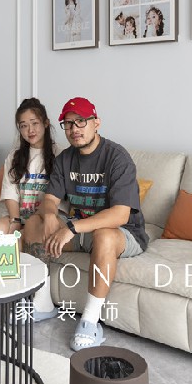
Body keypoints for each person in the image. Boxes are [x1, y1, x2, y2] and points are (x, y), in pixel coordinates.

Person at [23, 97, 147, 351]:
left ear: (96, 123)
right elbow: (50, 199)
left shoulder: (117, 157)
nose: (74, 129)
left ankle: (90, 321)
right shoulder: (65, 159)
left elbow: (120, 215)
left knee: (104, 235)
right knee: (34, 223)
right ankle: (43, 302)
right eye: (68, 124)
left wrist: (70, 228)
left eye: (81, 121)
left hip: (122, 233)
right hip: (80, 228)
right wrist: (49, 216)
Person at [0, 98, 59, 319]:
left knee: (28, 230)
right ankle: (10, 293)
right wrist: (15, 220)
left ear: (46, 123)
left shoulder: (59, 155)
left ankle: (34, 298)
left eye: (35, 123)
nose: (30, 130)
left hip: (45, 217)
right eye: (23, 125)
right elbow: (10, 192)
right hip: (20, 214)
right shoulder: (15, 156)